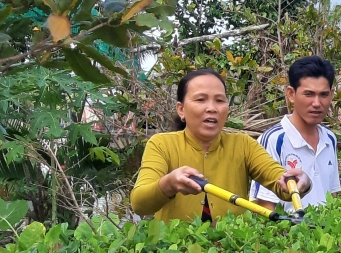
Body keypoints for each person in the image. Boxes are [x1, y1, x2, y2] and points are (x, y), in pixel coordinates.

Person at [130, 69, 311, 222]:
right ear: (181, 110)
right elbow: (139, 204)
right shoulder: (161, 144)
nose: (212, 108)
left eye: (219, 100)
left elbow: (280, 182)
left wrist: (299, 183)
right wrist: (168, 184)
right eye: (201, 99)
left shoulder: (244, 144)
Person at [251, 55, 341, 212]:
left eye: (323, 94)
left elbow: (331, 195)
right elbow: (264, 207)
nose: (316, 103)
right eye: (308, 94)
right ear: (291, 94)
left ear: (332, 94)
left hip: (325, 233)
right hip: (289, 235)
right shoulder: (274, 140)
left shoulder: (329, 138)